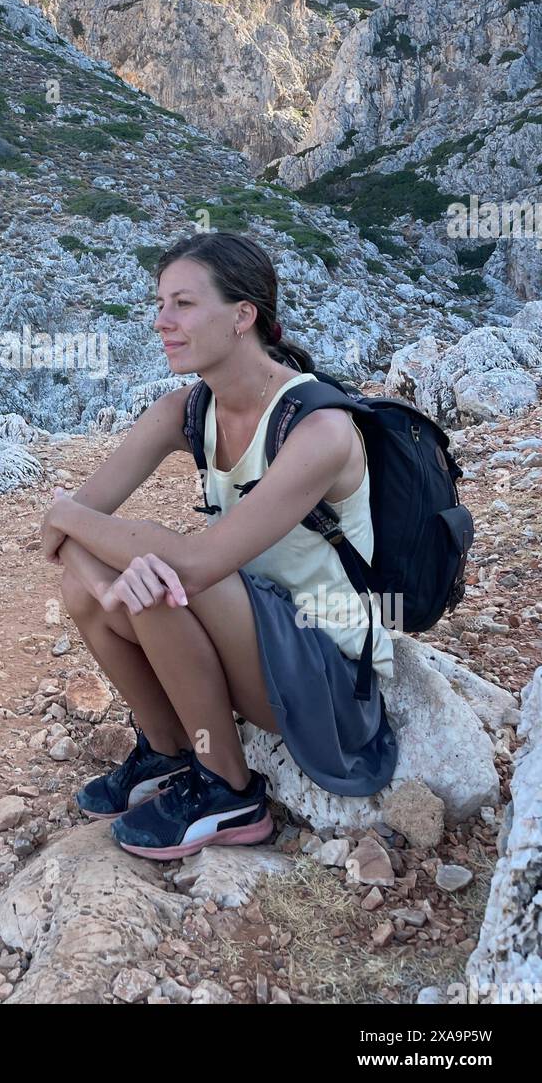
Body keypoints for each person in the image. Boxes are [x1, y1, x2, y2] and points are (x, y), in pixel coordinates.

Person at [40, 231, 397, 861]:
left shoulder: (318, 429)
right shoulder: (187, 410)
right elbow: (58, 538)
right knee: (97, 584)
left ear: (242, 316)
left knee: (165, 581)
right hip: (257, 640)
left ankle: (230, 791)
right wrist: (97, 581)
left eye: (182, 304)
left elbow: (198, 564)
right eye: (159, 305)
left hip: (333, 681)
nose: (161, 323)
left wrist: (68, 512)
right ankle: (169, 751)